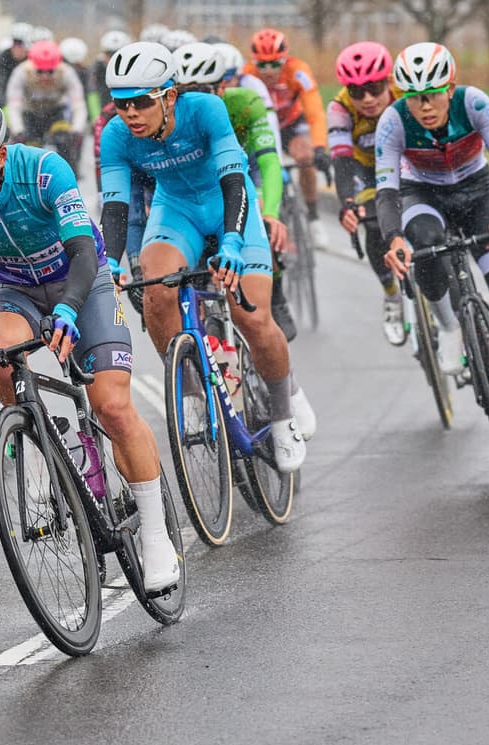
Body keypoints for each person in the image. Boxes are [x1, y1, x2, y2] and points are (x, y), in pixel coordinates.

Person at [0, 99, 181, 592]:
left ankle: (156, 533)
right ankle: (39, 448)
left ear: (0, 155)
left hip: (82, 281)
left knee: (113, 407)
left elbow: (82, 250)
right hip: (15, 289)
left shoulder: (43, 171)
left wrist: (69, 309)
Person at [99, 42, 314, 472]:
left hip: (227, 203)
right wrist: (114, 261)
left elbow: (234, 179)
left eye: (141, 102)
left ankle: (283, 408)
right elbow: (116, 208)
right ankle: (194, 391)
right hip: (177, 210)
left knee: (252, 316)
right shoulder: (116, 135)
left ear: (169, 96)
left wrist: (232, 243)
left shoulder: (206, 110)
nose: (131, 114)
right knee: (157, 294)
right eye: (122, 104)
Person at [377, 43, 489, 444]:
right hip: (423, 195)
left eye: (433, 94)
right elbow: (387, 192)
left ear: (450, 87)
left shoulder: (474, 103)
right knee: (424, 243)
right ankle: (449, 326)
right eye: (415, 97)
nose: (425, 106)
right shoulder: (392, 121)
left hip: (478, 195)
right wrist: (393, 237)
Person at [174, 42, 291, 337]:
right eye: (185, 91)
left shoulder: (246, 103)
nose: (194, 99)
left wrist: (271, 212)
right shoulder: (172, 115)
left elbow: (268, 161)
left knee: (263, 223)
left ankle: (276, 294)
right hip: (201, 191)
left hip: (245, 174)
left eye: (202, 90)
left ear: (222, 87)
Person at [327, 42, 406, 346]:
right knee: (372, 223)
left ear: (389, 80)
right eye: (358, 92)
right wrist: (347, 203)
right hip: (367, 171)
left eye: (374, 88)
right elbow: (342, 161)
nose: (368, 99)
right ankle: (391, 294)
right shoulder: (340, 108)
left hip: (407, 162)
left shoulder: (404, 93)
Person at [243, 28, 330, 248]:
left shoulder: (298, 71)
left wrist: (320, 147)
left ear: (285, 59)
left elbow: (316, 113)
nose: (268, 71)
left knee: (305, 157)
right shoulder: (247, 74)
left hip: (290, 125)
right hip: (260, 124)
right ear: (254, 62)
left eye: (275, 64)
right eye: (262, 65)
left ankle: (313, 216)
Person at [5, 40, 87, 174]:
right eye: (40, 71)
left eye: (50, 71)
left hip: (56, 112)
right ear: (32, 65)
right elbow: (14, 105)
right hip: (30, 114)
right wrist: (18, 130)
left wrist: (77, 129)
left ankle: (70, 173)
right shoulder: (21, 72)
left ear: (57, 66)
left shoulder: (67, 72)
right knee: (29, 146)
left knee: (64, 140)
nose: (45, 76)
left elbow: (78, 104)